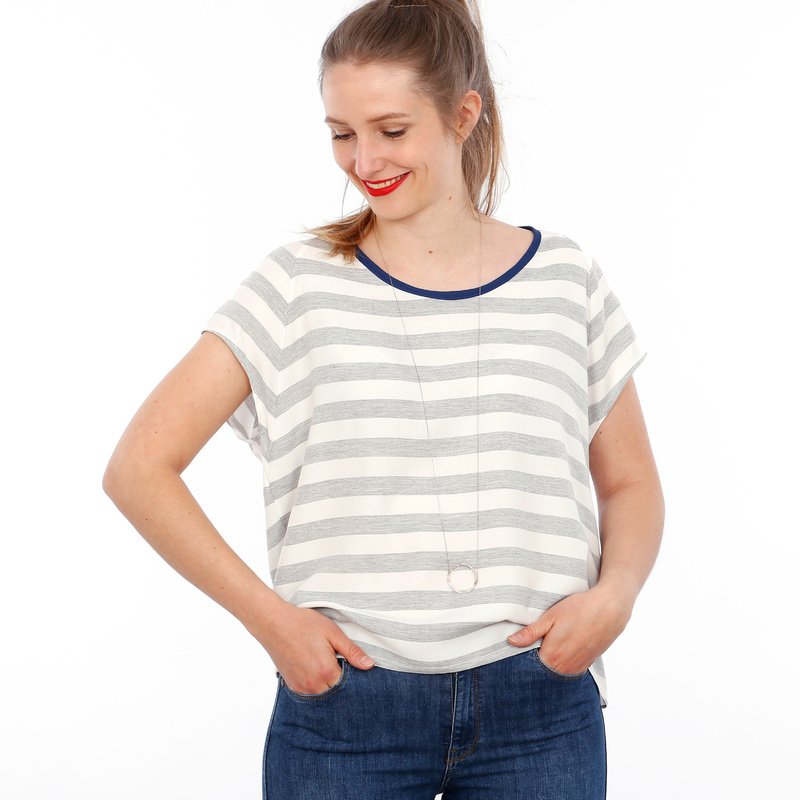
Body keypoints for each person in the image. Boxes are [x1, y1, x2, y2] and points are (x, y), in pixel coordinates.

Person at [103, 0, 664, 797]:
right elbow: (138, 468)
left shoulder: (565, 280)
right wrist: (273, 623)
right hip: (347, 707)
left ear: (463, 114)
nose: (363, 160)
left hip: (539, 700)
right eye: (341, 133)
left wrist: (616, 596)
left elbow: (631, 480)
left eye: (391, 130)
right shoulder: (295, 286)